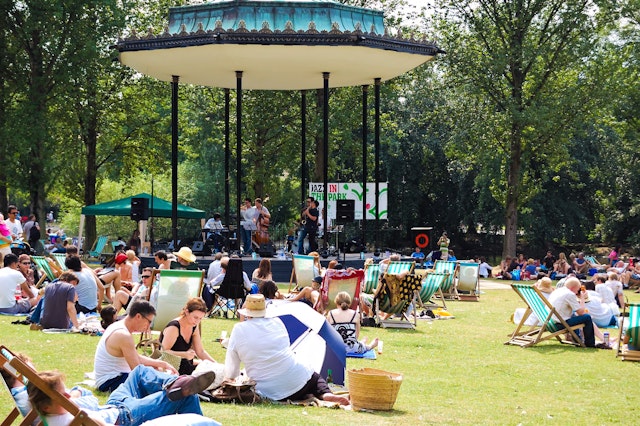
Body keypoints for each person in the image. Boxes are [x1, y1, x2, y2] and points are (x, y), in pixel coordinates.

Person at [223, 294, 349, 405]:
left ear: (247, 314)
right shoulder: (277, 322)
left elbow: (231, 370)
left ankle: (315, 395)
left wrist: (233, 376)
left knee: (299, 379)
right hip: (297, 380)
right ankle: (324, 393)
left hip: (267, 390)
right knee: (314, 377)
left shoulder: (238, 329)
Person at [26, 366, 216, 426]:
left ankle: (175, 384)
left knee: (139, 372)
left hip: (114, 405)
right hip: (127, 417)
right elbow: (90, 398)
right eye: (62, 394)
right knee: (187, 397)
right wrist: (78, 396)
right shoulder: (73, 419)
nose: (67, 394)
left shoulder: (50, 414)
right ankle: (179, 386)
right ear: (46, 406)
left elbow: (86, 394)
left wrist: (74, 394)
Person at [94, 300, 178, 392]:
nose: (148, 327)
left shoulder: (118, 326)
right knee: (163, 384)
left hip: (111, 378)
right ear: (138, 316)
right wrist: (158, 374)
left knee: (157, 373)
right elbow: (137, 370)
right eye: (149, 322)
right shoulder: (123, 335)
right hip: (110, 381)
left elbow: (135, 357)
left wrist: (161, 364)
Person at [160, 297, 217, 375]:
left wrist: (216, 365)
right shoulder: (174, 327)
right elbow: (163, 352)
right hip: (171, 369)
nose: (197, 321)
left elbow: (200, 351)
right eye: (195, 317)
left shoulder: (194, 326)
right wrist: (184, 354)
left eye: (200, 318)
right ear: (187, 312)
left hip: (186, 365)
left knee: (213, 370)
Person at [548, 276, 601, 348]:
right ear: (573, 288)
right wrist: (582, 298)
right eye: (577, 290)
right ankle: (590, 343)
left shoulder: (558, 291)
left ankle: (577, 339)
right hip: (559, 324)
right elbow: (581, 312)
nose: (577, 292)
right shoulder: (569, 294)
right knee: (587, 317)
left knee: (573, 315)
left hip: (551, 321)